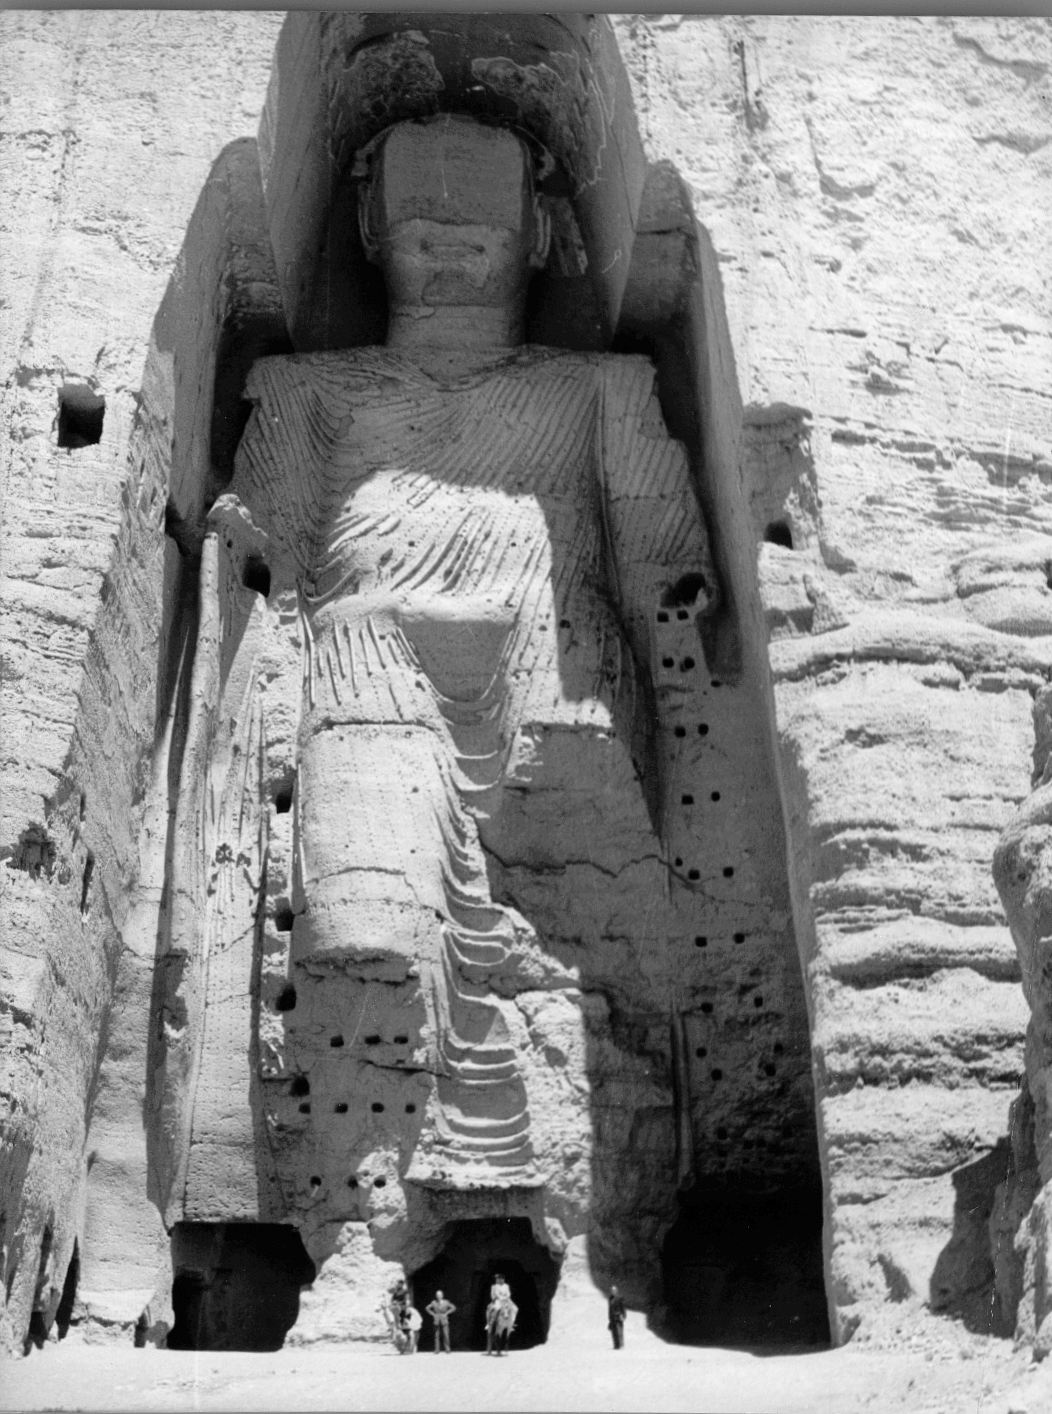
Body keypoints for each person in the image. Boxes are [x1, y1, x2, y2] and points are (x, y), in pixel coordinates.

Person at [607, 1284, 627, 1350]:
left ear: (616, 1291)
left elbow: (623, 1307)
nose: (613, 1291)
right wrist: (609, 1318)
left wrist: (623, 1315)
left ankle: (621, 1345)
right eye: (612, 1290)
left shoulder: (620, 1298)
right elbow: (609, 1309)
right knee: (614, 1332)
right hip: (612, 1317)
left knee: (619, 1331)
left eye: (614, 1290)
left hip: (618, 1316)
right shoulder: (610, 1298)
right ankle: (616, 1345)